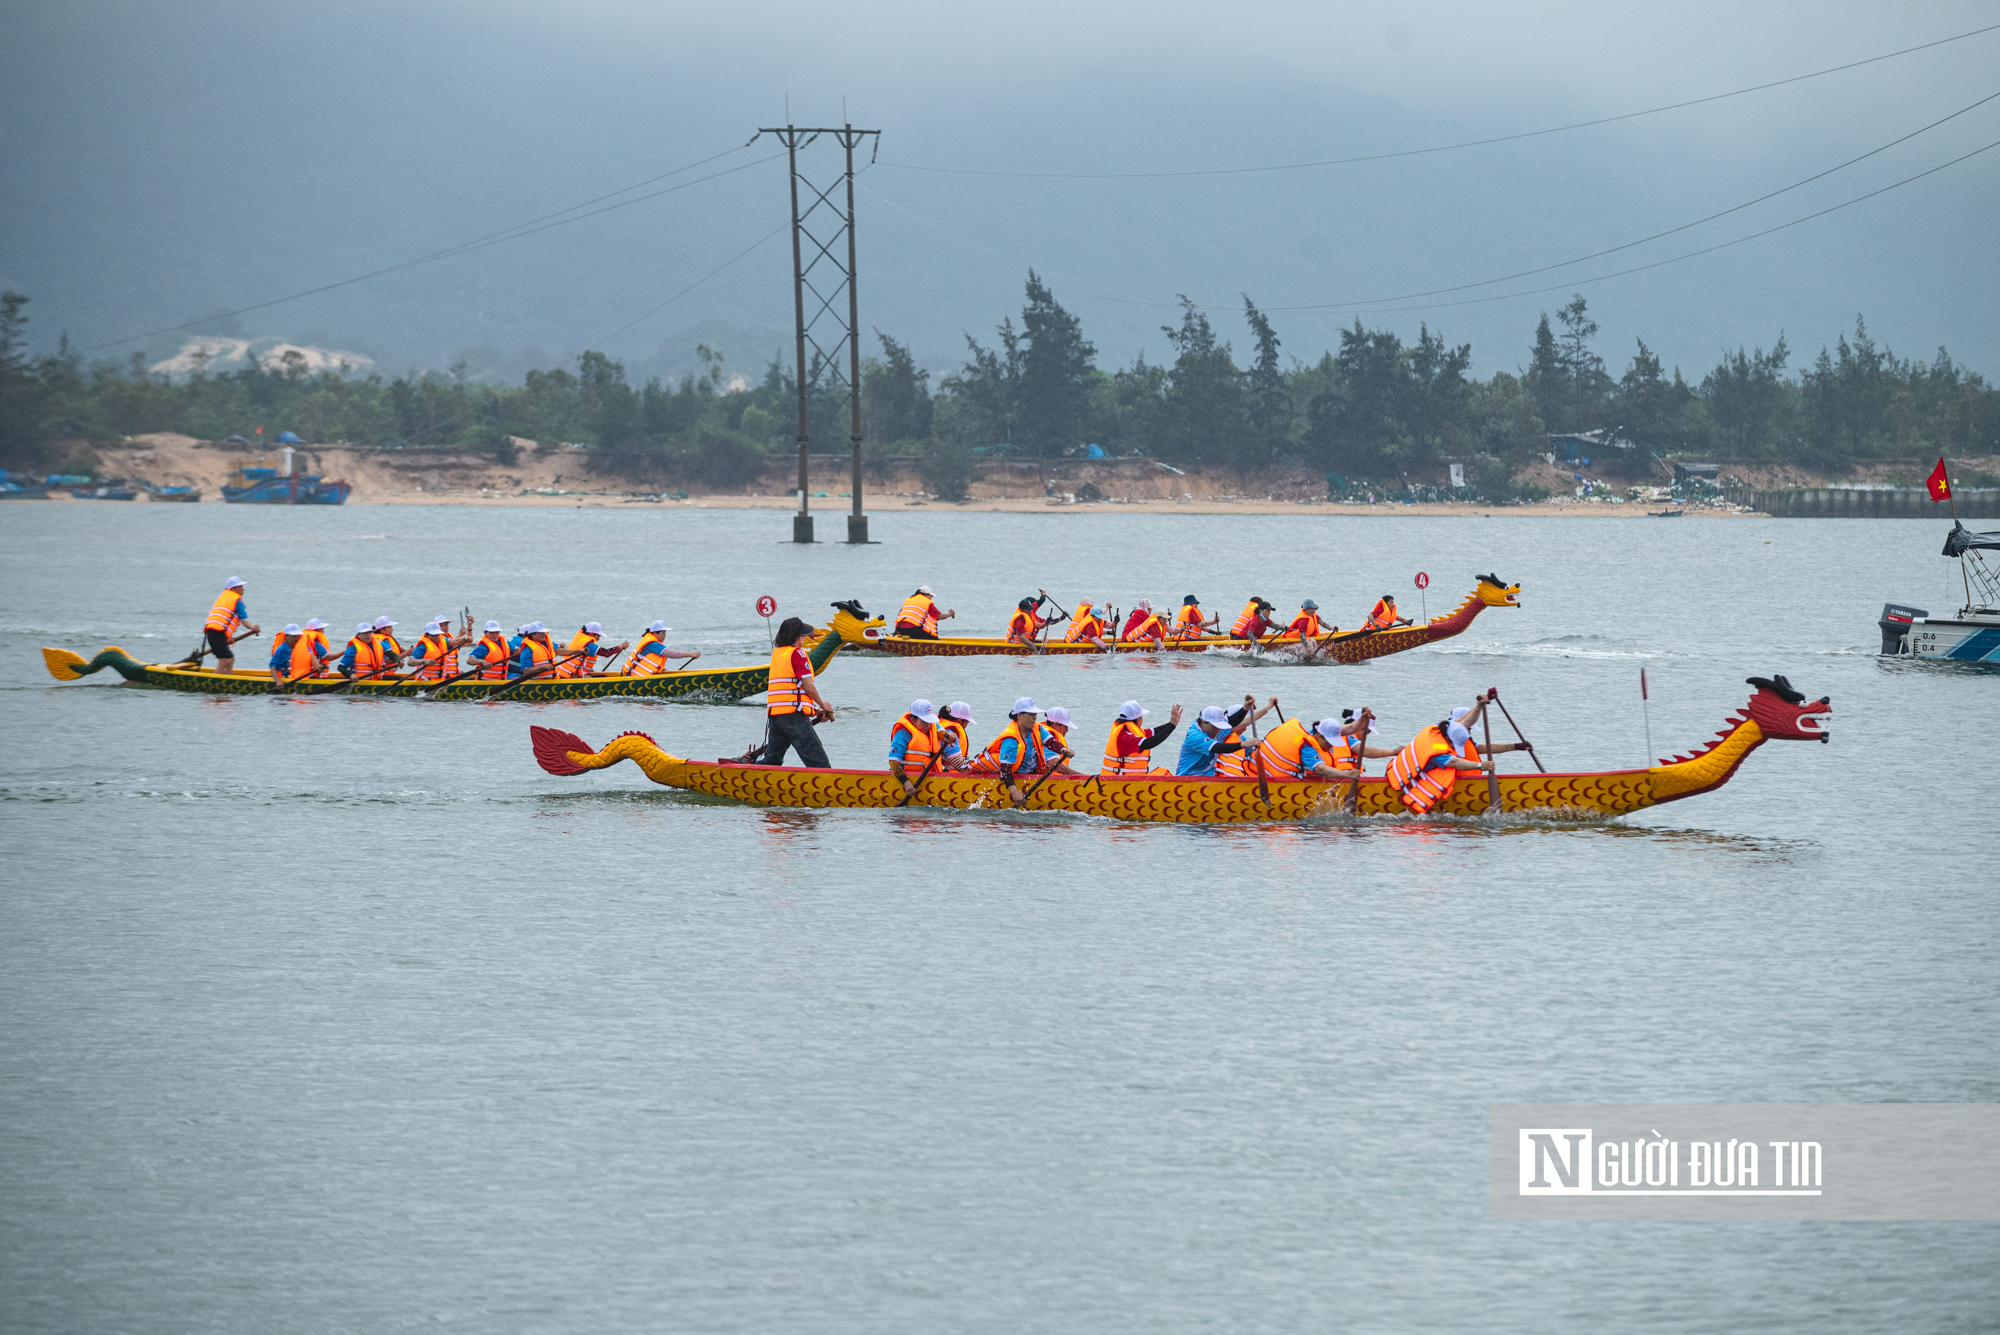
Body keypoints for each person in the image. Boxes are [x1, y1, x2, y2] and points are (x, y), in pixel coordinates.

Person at [1383, 694, 1532, 813]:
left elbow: (1464, 722)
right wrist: (1481, 765)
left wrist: (1479, 707)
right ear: (1448, 739)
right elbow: (1455, 762)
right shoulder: (1437, 752)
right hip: (1406, 788)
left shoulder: (1437, 729)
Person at [757, 616, 835, 767]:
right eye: (802, 636)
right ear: (796, 637)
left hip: (776, 717)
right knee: (819, 763)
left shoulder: (778, 655)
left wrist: (815, 710)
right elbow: (808, 687)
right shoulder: (798, 654)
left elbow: (789, 691)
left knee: (772, 761)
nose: (804, 639)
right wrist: (823, 704)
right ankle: (827, 787)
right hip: (794, 717)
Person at [971, 698, 1052, 803]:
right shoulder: (1011, 739)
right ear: (1019, 715)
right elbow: (1005, 771)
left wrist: (1063, 750)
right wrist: (1014, 792)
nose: (1034, 718)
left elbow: (1051, 743)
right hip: (1011, 776)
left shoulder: (1037, 728)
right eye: (1031, 714)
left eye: (1035, 714)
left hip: (1028, 775)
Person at [1179, 696, 1277, 776]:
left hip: (1209, 780)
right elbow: (1219, 748)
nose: (1217, 730)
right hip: (1188, 780)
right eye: (1215, 727)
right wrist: (1243, 744)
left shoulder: (1209, 725)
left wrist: (1247, 708)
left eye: (1219, 727)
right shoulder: (1196, 737)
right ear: (1204, 723)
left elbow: (1235, 721)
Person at [1252, 714, 1364, 781]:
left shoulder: (1317, 730)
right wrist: (1346, 775)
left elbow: (1350, 728)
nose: (1331, 746)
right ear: (1319, 736)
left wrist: (1363, 718)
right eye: (1329, 742)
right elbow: (1321, 769)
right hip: (1277, 781)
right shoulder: (1308, 749)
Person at [889, 699, 961, 797]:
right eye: (924, 722)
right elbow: (893, 762)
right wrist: (905, 782)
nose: (928, 725)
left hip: (930, 778)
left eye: (929, 721)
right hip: (909, 780)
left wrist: (950, 736)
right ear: (913, 720)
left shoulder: (933, 726)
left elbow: (944, 735)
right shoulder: (902, 734)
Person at [1102, 700, 1182, 776]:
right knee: (1164, 773)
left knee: (1161, 772)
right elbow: (1149, 743)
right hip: (1121, 781)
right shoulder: (1125, 738)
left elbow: (1154, 732)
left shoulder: (1126, 731)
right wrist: (1172, 726)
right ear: (1138, 719)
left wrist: (1171, 724)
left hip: (1122, 779)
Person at [1214, 696, 1283, 777]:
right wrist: (1269, 707)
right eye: (1245, 726)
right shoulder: (1219, 734)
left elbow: (1253, 754)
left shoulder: (1242, 739)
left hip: (1235, 780)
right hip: (1217, 779)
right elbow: (1242, 722)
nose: (1245, 729)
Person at [202, 577, 259, 672]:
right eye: (240, 587)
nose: (243, 589)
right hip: (217, 633)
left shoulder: (224, 597)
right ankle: (216, 681)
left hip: (214, 632)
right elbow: (244, 620)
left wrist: (228, 638)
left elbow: (225, 621)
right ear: (234, 589)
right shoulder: (237, 600)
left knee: (230, 659)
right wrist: (253, 628)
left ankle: (228, 678)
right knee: (224, 660)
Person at [1327, 707, 1399, 773]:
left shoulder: (1343, 735)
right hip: (1340, 778)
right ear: (1358, 726)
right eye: (1367, 731)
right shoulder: (1348, 736)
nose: (1367, 735)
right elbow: (1365, 751)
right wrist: (1394, 752)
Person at [556, 622, 629, 678]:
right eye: (598, 636)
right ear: (591, 634)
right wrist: (620, 646)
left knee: (602, 676)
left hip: (564, 672)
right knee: (603, 677)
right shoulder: (589, 645)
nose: (598, 639)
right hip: (571, 675)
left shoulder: (581, 639)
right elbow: (606, 653)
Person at [628, 621, 699, 676]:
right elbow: (670, 654)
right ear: (655, 633)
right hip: (637, 677)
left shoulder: (651, 641)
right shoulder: (652, 644)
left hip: (641, 675)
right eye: (663, 632)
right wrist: (691, 654)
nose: (665, 635)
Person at [1039, 706, 1081, 775]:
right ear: (1055, 725)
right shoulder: (1050, 734)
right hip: (1048, 780)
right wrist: (1081, 776)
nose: (1067, 730)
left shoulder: (1043, 731)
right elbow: (1053, 763)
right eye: (1065, 726)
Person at [939, 702, 975, 768]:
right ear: (959, 720)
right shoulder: (950, 733)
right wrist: (978, 767)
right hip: (948, 773)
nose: (966, 726)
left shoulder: (941, 726)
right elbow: (958, 763)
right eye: (967, 722)